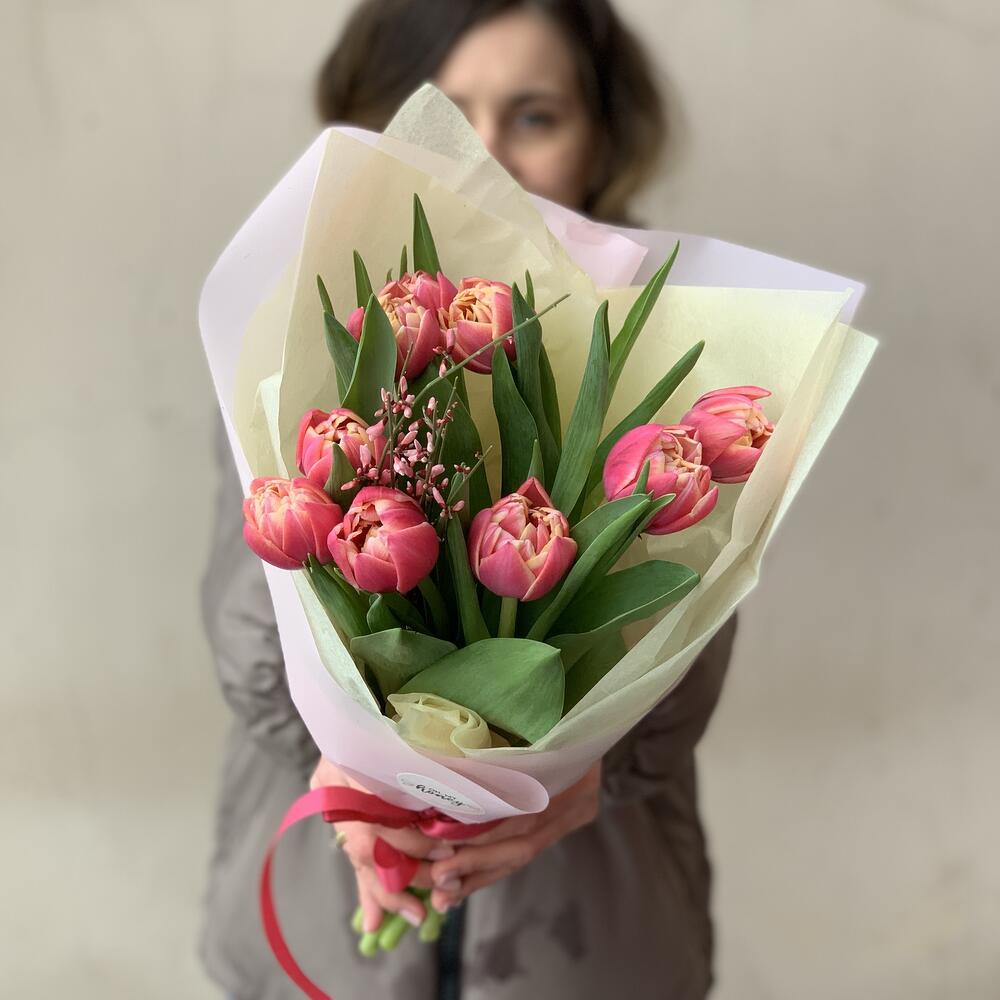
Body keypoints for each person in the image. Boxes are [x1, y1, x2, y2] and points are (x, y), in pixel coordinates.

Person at [200, 3, 737, 999]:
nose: (483, 155)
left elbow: (692, 625)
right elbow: (245, 616)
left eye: (535, 116)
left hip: (592, 923)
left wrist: (593, 770)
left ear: (601, 135)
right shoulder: (297, 341)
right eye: (440, 112)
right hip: (323, 892)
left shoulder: (652, 351)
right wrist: (350, 764)